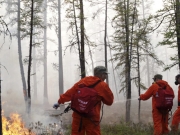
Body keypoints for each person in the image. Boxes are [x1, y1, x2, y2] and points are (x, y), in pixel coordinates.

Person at [53, 66, 114, 135]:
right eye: (105, 74)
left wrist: (59, 102)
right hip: (92, 117)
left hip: (78, 115)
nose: (106, 76)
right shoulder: (103, 85)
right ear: (101, 74)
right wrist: (101, 98)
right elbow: (110, 101)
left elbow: (70, 93)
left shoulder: (84, 81)